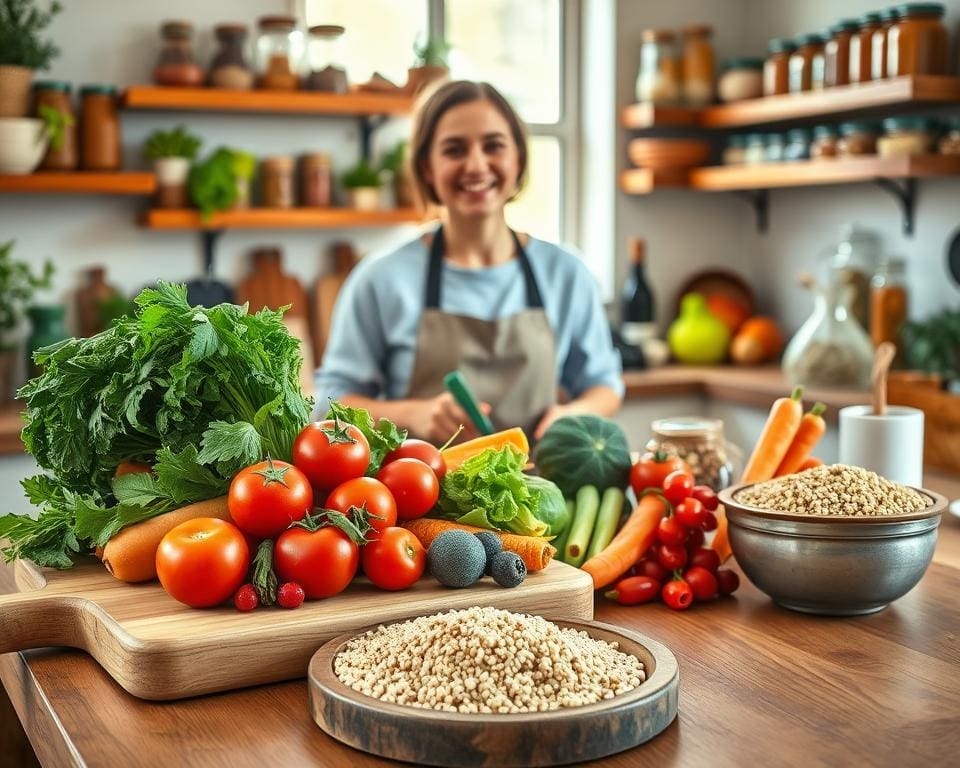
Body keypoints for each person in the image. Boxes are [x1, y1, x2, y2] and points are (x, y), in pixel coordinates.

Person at [314, 80, 623, 443]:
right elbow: (329, 406)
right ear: (427, 167)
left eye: (493, 146)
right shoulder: (380, 279)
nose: (476, 165)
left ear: (518, 158)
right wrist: (413, 415)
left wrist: (572, 415)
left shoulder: (566, 273)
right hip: (421, 494)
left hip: (538, 493)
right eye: (454, 150)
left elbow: (604, 384)